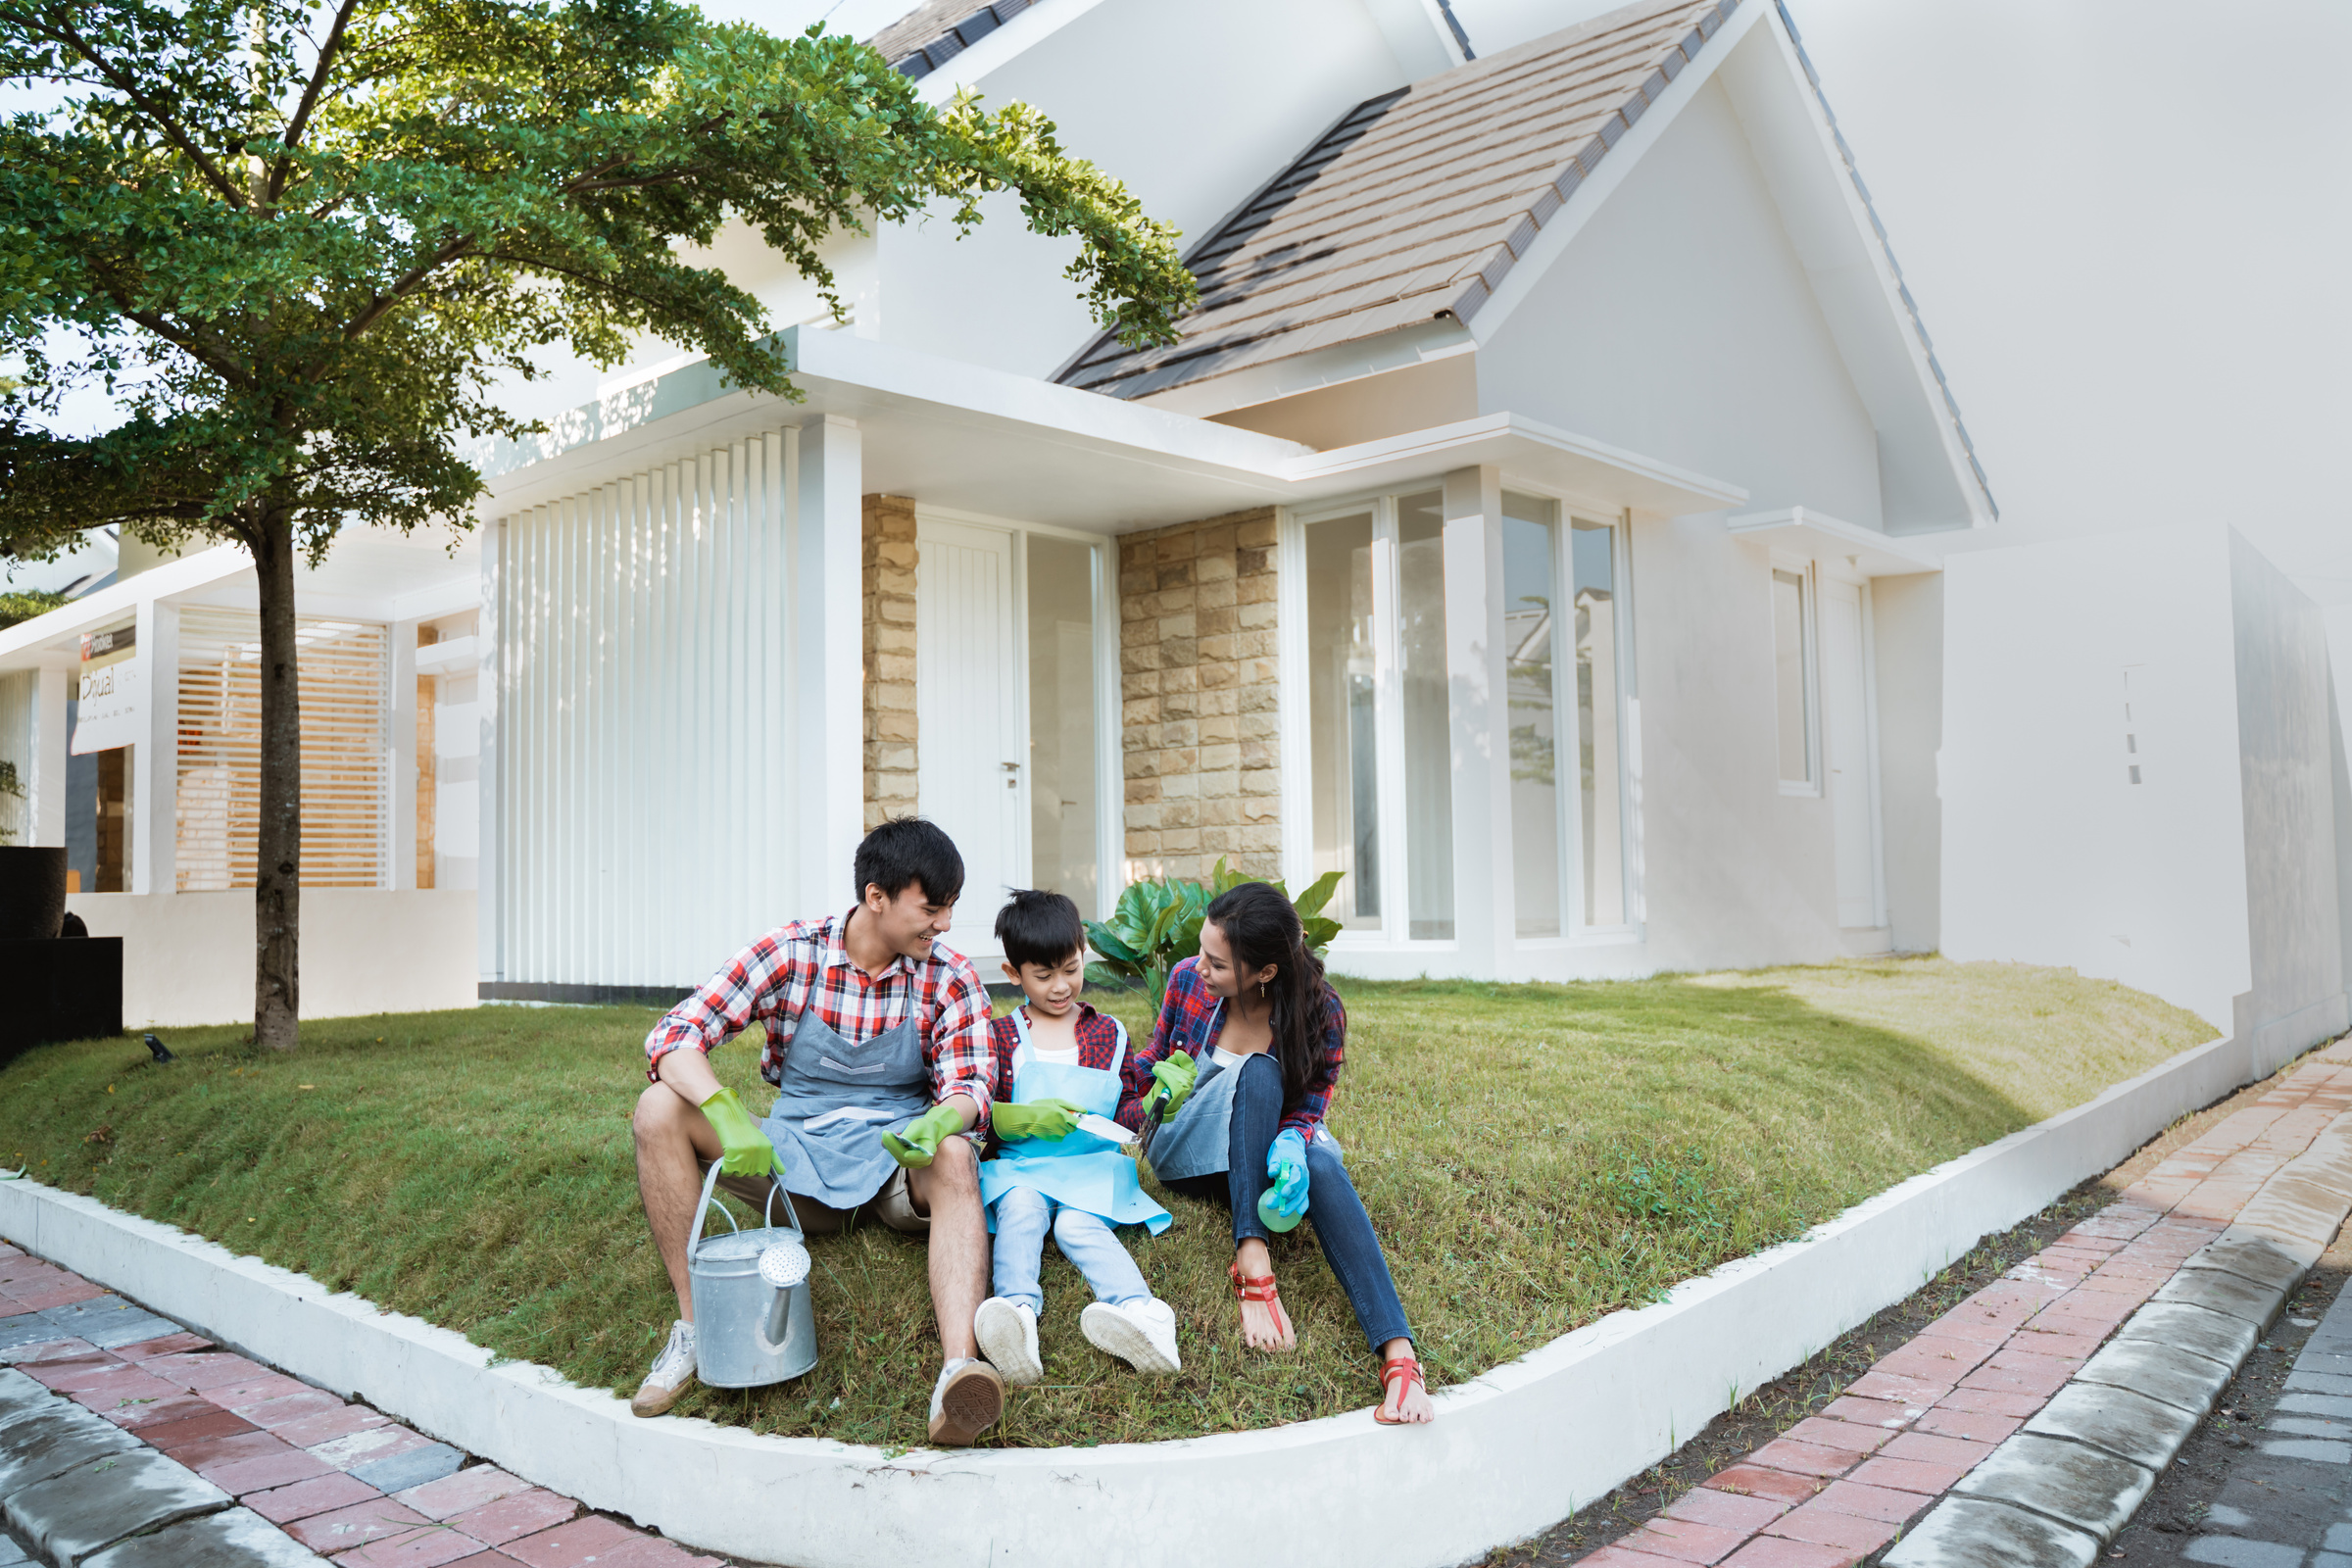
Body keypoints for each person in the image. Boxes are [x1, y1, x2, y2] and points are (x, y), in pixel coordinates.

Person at [628, 816, 1006, 1446]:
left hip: (893, 1168)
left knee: (955, 1154)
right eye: (932, 908)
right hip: (791, 1165)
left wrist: (942, 1119)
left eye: (950, 909)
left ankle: (957, 1374)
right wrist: (724, 1111)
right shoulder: (790, 952)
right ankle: (697, 1333)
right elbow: (674, 1036)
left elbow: (971, 1084)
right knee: (657, 1108)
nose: (943, 925)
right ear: (876, 897)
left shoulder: (949, 975)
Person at [1131, 880, 1435, 1425]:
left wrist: (1293, 1139)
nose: (1199, 966)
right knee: (1259, 1069)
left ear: (1265, 971)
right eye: (1203, 951)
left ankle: (1400, 1357)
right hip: (1185, 1148)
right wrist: (1153, 1087)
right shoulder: (1185, 981)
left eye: (1218, 964)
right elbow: (1149, 1062)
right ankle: (1253, 1258)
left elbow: (1311, 1105)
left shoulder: (1321, 1009)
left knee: (1317, 1158)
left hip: (1261, 1154)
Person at [971, 890, 1197, 1384]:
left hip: (1092, 1168)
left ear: (1083, 956)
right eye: (1043, 975)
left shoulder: (1109, 1034)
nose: (1060, 987)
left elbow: (1127, 1116)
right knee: (1023, 1209)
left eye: (1070, 969)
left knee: (1077, 1227)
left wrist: (1161, 1099)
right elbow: (981, 1117)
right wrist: (1019, 1119)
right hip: (1022, 1168)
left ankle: (1146, 1316)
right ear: (1013, 974)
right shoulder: (1001, 1038)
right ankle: (1016, 1317)